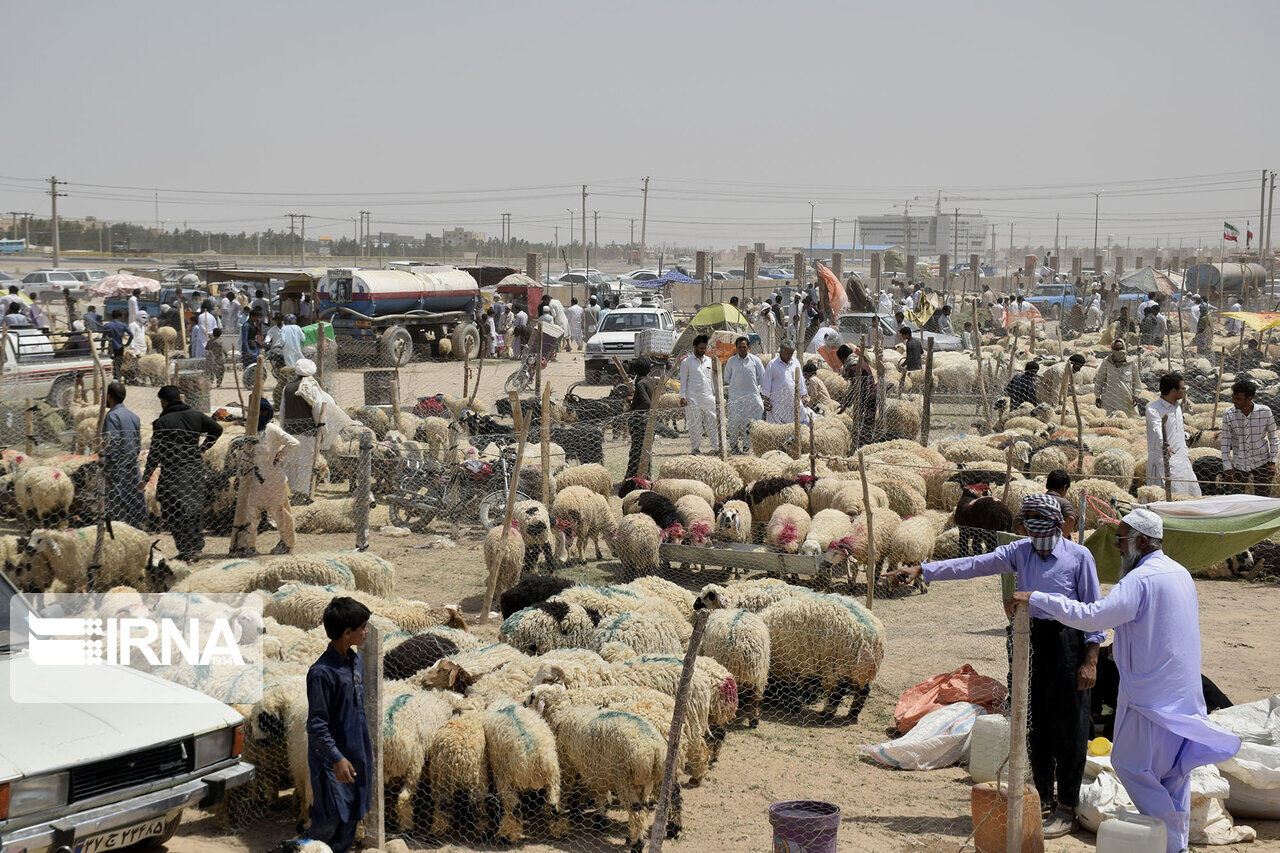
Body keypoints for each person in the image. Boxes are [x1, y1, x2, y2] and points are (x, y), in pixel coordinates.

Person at [1005, 508, 1241, 853]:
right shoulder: (1179, 573)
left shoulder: (1139, 581)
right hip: (1180, 692)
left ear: (1141, 542)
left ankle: (1172, 838)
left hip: (1151, 696)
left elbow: (1092, 616)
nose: (1116, 546)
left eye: (1120, 539)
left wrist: (1038, 597)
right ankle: (1175, 845)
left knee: (1129, 764)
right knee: (1172, 774)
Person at [891, 493, 1104, 838]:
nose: (1032, 536)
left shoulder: (1080, 557)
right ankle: (1044, 800)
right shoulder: (1021, 551)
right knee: (1033, 720)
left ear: (1056, 525)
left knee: (1070, 726)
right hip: (1029, 641)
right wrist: (923, 569)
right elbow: (973, 564)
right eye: (1027, 527)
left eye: (1036, 526)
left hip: (1069, 643)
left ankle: (1068, 806)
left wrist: (1090, 660)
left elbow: (1094, 611)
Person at [300, 596, 374, 853]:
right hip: (333, 764)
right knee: (327, 826)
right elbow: (317, 726)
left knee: (351, 820)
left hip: (356, 755)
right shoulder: (322, 673)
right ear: (347, 633)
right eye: (363, 627)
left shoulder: (355, 662)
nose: (366, 632)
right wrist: (336, 759)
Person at [141, 385, 222, 561]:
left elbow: (155, 453)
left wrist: (145, 478)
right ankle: (196, 547)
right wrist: (203, 448)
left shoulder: (162, 422)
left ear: (163, 401)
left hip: (173, 471)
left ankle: (185, 550)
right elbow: (217, 429)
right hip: (194, 469)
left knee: (174, 509)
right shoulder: (196, 415)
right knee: (194, 508)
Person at [248, 399, 299, 555]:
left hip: (273, 479)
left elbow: (294, 443)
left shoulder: (272, 429)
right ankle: (249, 546)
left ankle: (287, 543)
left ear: (265, 412)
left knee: (280, 513)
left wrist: (280, 455)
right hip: (254, 479)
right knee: (250, 515)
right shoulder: (250, 429)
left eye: (258, 411)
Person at [100, 382, 147, 529]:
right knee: (134, 504)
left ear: (109, 396)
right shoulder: (134, 416)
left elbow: (111, 443)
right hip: (132, 467)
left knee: (119, 509)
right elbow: (137, 444)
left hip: (117, 469)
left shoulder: (112, 416)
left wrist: (108, 471)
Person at [1146, 373, 1201, 497]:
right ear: (1173, 390)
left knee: (1191, 493)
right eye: (1182, 389)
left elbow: (1179, 432)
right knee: (1167, 496)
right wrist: (1163, 443)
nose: (1184, 391)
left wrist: (1186, 452)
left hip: (1181, 458)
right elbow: (1157, 428)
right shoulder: (1153, 409)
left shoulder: (1177, 407)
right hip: (1165, 458)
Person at [1220, 379, 1278, 494]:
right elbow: (1225, 442)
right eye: (1233, 397)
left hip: (1262, 462)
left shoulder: (1265, 412)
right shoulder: (1229, 414)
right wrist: (1227, 467)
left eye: (1238, 399)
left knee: (1262, 498)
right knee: (1236, 497)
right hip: (1239, 464)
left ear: (1249, 398)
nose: (1234, 401)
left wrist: (1272, 462)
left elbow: (1273, 438)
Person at [281, 358, 326, 499]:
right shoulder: (312, 387)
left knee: (291, 461)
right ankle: (303, 493)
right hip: (308, 431)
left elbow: (282, 410)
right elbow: (318, 409)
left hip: (290, 431)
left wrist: (283, 429)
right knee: (306, 463)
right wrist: (321, 427)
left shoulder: (287, 388)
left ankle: (288, 490)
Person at [723, 336, 765, 454]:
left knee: (749, 422)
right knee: (734, 422)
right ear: (736, 348)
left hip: (751, 397)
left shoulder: (755, 361)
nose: (742, 349)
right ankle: (734, 446)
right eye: (740, 347)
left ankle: (746, 446)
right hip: (735, 398)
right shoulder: (731, 361)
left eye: (744, 347)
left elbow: (762, 378)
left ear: (748, 348)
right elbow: (727, 378)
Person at [679, 334, 719, 454]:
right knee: (695, 425)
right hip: (693, 398)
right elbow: (683, 380)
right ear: (694, 347)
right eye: (701, 348)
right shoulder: (686, 362)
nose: (703, 350)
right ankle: (695, 449)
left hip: (708, 397)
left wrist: (716, 396)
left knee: (712, 422)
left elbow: (713, 380)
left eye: (704, 348)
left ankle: (717, 448)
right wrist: (682, 397)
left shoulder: (709, 361)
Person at [1012, 469, 1078, 537]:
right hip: (1052, 542)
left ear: (1046, 485)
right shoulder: (1063, 503)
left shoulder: (1035, 500)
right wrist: (1060, 540)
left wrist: (1028, 537)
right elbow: (1071, 519)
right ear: (1064, 488)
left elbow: (1017, 521)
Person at [837, 345, 877, 448]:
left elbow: (855, 388)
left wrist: (845, 405)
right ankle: (865, 444)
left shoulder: (853, 367)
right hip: (870, 393)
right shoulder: (859, 361)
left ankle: (863, 447)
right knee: (867, 422)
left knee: (863, 422)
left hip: (866, 396)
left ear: (842, 358)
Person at [762, 340, 809, 425]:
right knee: (779, 430)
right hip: (778, 403)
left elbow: (800, 380)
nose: (790, 356)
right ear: (781, 351)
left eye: (791, 353)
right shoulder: (772, 365)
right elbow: (766, 384)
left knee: (800, 424)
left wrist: (804, 395)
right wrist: (766, 400)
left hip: (794, 401)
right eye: (787, 353)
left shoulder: (795, 362)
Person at [625, 356, 655, 479]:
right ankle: (645, 476)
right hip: (649, 421)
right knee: (645, 451)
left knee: (636, 451)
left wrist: (634, 412)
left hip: (640, 422)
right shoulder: (650, 381)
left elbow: (646, 403)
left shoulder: (641, 384)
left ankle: (631, 477)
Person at [1094, 339, 1141, 415]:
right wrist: (1097, 397)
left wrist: (1136, 395)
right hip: (1109, 399)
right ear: (1112, 349)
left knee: (1127, 421)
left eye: (1121, 349)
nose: (1119, 351)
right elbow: (1099, 379)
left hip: (1126, 400)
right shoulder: (1107, 362)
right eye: (1116, 349)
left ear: (1124, 348)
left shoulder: (1131, 363)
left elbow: (1137, 380)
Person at [103, 309, 132, 380]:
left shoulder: (107, 325)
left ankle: (110, 378)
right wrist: (127, 344)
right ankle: (117, 378)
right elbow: (131, 335)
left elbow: (103, 338)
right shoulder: (123, 325)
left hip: (111, 347)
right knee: (118, 364)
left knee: (110, 363)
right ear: (120, 317)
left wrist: (102, 348)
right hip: (119, 347)